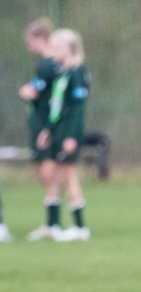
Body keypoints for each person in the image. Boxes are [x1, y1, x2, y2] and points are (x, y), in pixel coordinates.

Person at [30, 29, 91, 242]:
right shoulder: (62, 72)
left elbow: (76, 109)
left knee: (69, 177)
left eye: (57, 48)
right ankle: (53, 225)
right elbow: (57, 107)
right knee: (53, 175)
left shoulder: (77, 72)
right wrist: (48, 130)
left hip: (68, 134)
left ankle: (80, 227)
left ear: (70, 49)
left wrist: (71, 136)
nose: (52, 52)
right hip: (57, 131)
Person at [17, 18, 56, 240]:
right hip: (40, 125)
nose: (28, 45)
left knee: (48, 173)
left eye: (30, 40)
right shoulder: (44, 65)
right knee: (45, 174)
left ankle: (54, 223)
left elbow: (33, 92)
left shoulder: (47, 66)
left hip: (45, 127)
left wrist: (25, 91)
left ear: (40, 38)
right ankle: (52, 223)